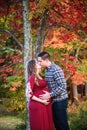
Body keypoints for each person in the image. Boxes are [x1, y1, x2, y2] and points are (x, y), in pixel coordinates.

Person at [37, 52, 70, 130]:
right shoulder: (47, 70)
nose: (39, 63)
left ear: (46, 60)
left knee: (62, 125)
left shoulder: (56, 69)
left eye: (40, 61)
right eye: (38, 61)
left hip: (60, 101)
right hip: (54, 101)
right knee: (57, 125)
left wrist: (50, 95)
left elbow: (63, 86)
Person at [26, 59, 54, 130]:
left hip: (44, 105)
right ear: (33, 66)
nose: (39, 63)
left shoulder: (39, 75)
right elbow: (28, 94)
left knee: (46, 125)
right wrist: (42, 101)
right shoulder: (32, 77)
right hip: (38, 104)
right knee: (40, 126)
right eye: (37, 63)